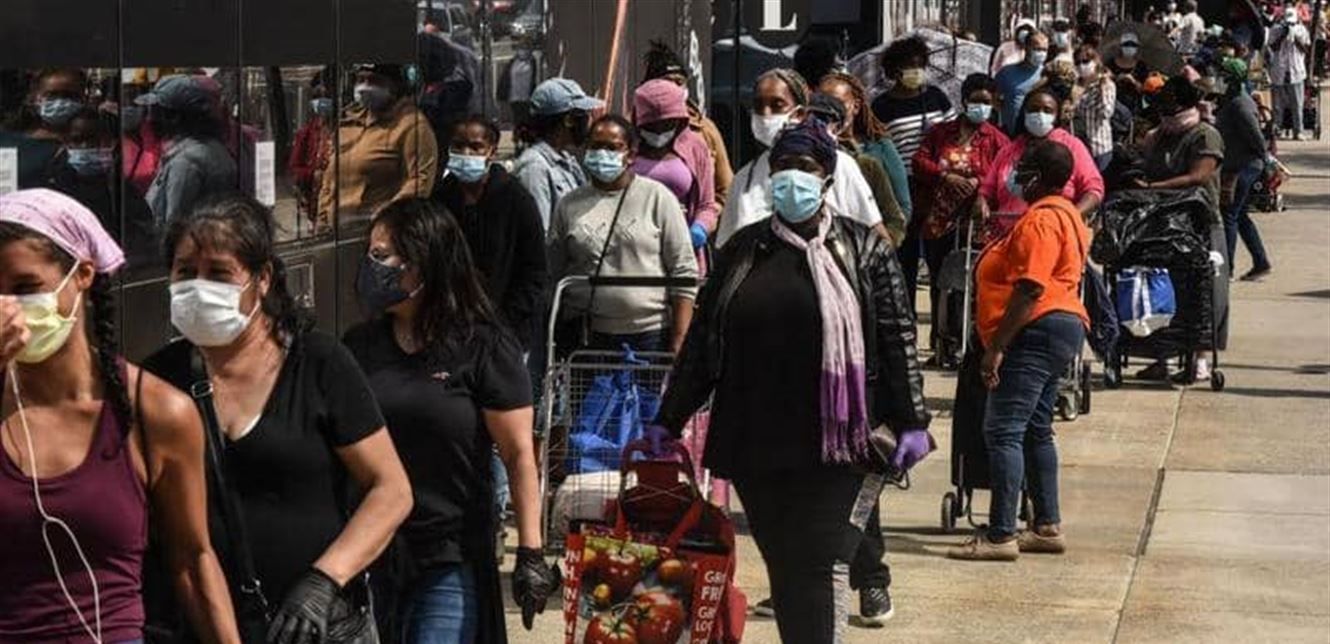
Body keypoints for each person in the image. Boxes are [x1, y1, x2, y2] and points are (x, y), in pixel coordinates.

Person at [651, 120, 933, 643]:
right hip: (757, 438)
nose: (791, 178)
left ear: (826, 176)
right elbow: (704, 343)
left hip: (840, 440)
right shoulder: (743, 250)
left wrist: (912, 419)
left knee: (821, 562)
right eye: (782, 167)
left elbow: (897, 337)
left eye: (803, 167)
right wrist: (669, 420)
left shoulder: (864, 250)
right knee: (784, 562)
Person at [144, 193, 414, 643]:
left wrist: (325, 580)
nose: (199, 288)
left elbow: (391, 490)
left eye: (219, 274)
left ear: (263, 278)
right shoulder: (156, 381)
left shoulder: (320, 363)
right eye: (186, 273)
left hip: (315, 629)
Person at [0, 189, 241, 643]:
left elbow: (192, 559)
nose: (8, 308)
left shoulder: (155, 412)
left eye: (26, 288)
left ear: (82, 275)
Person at [343, 199, 560, 643]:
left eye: (382, 256)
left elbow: (519, 454)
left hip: (449, 554)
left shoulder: (483, 347)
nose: (371, 267)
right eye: (370, 254)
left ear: (424, 262)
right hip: (372, 553)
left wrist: (530, 551)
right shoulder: (359, 346)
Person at [947, 140, 1089, 561]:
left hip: (1035, 330)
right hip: (1059, 328)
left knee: (1003, 430)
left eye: (1023, 170)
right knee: (1035, 427)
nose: (1015, 177)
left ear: (1038, 177)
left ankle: (1000, 535)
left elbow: (1030, 288)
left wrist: (996, 347)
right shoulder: (1066, 214)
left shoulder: (1042, 221)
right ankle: (1046, 525)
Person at [546, 115, 699, 354]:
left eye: (612, 148)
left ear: (630, 154)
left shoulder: (658, 198)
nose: (602, 153)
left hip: (650, 337)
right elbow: (554, 271)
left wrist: (680, 340)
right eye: (596, 146)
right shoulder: (569, 205)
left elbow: (684, 271)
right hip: (587, 338)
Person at [716, 69, 885, 247]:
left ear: (799, 113)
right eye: (759, 106)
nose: (766, 114)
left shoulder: (840, 165)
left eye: (777, 105)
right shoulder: (744, 179)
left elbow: (876, 238)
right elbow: (727, 248)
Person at [1133, 75, 1227, 381]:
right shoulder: (1161, 135)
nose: (1165, 112)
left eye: (1171, 105)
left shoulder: (1204, 135)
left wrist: (1154, 187)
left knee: (1203, 291)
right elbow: (1146, 162)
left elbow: (1199, 176)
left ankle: (1200, 358)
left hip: (1199, 223)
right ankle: (1162, 356)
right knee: (1162, 291)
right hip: (1163, 224)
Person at [914, 74, 1012, 359]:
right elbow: (920, 161)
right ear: (964, 101)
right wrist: (945, 176)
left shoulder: (997, 139)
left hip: (978, 222)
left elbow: (1004, 175)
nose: (981, 107)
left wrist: (979, 185)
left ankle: (971, 342)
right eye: (975, 100)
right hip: (940, 220)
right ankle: (941, 343)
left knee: (974, 280)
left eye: (986, 102)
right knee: (941, 280)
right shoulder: (940, 133)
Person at [433, 116, 547, 350]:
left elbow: (534, 270)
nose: (466, 153)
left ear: (491, 152)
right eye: (458, 146)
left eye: (475, 147)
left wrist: (506, 323)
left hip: (505, 331)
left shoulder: (516, 199)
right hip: (450, 328)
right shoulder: (440, 197)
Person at [318, 63, 438, 231]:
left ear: (394, 85)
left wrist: (385, 218)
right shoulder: (349, 121)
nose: (365, 87)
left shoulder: (412, 125)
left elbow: (419, 182)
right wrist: (322, 221)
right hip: (335, 230)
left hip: (378, 231)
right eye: (361, 80)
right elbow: (329, 179)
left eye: (374, 81)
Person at [632, 79, 719, 271]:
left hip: (682, 255)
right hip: (633, 255)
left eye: (667, 124)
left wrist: (699, 230)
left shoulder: (695, 147)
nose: (659, 132)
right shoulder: (627, 147)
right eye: (651, 126)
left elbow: (707, 205)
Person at [980, 86, 1105, 220]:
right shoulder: (1008, 151)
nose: (1040, 115)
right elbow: (987, 189)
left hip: (1054, 227)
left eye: (1047, 111)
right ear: (1024, 113)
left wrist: (1071, 217)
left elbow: (1093, 190)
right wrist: (982, 202)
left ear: (1056, 116)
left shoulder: (1072, 146)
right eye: (1033, 109)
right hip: (1008, 227)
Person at [819, 71, 914, 239]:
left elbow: (902, 206)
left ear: (855, 106)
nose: (831, 112)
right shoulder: (812, 148)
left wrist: (885, 242)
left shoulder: (879, 148)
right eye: (823, 104)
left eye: (838, 104)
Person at [137, 75, 239, 232]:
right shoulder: (212, 148)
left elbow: (174, 226)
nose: (149, 119)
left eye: (156, 112)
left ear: (175, 117)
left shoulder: (185, 163)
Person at [642, 39, 734, 207]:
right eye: (667, 82)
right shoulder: (630, 130)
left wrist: (706, 216)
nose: (674, 88)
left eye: (679, 82)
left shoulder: (704, 130)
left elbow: (726, 188)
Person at [512, 78, 604, 230]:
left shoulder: (566, 160)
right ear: (569, 120)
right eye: (585, 115)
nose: (589, 122)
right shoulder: (535, 168)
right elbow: (541, 231)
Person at [1214, 57, 1273, 280]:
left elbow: (1256, 137)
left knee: (1229, 214)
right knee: (1240, 215)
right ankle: (1261, 262)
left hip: (1245, 166)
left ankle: (1227, 268)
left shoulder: (1240, 104)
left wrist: (1266, 161)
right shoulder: (1230, 101)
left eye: (1222, 76)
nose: (1218, 79)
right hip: (1236, 163)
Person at [871, 36, 956, 167]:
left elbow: (955, 132)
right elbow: (877, 147)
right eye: (911, 66)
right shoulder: (881, 106)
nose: (917, 71)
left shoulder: (935, 96)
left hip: (938, 173)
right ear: (896, 70)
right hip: (904, 175)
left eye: (920, 65)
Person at [0, 69, 85, 190]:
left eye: (70, 96)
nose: (60, 101)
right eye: (52, 95)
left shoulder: (91, 146)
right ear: (34, 98)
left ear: (83, 99)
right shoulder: (7, 141)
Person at [289, 71, 334, 226]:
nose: (322, 101)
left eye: (326, 96)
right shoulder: (306, 133)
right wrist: (313, 174)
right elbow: (294, 168)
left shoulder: (345, 130)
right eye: (317, 97)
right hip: (314, 201)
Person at [1266, 5, 1312, 140]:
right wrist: (1283, 35)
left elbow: (1306, 49)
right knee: (1277, 105)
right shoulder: (1276, 29)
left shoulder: (1301, 30)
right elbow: (1272, 47)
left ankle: (1298, 131)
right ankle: (1277, 129)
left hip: (1296, 71)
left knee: (1297, 104)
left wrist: (1295, 38)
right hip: (1279, 70)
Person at [1072, 45, 1118, 171]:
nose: (1081, 66)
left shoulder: (1106, 84)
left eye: (1085, 61)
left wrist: (1102, 89)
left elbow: (1107, 112)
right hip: (1079, 146)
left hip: (1099, 147)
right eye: (1078, 62)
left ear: (1095, 61)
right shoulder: (1074, 85)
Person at [996, 32, 1051, 136]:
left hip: (1037, 134)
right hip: (1011, 134)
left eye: (1044, 50)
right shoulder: (1006, 73)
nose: (1041, 53)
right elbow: (995, 99)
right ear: (1026, 47)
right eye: (1037, 49)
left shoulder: (1047, 75)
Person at [1107, 32, 1151, 112]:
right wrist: (1117, 79)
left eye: (1133, 45)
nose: (1129, 47)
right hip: (1113, 104)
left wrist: (1133, 81)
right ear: (1120, 46)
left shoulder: (1141, 66)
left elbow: (1144, 89)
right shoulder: (1110, 64)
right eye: (1126, 44)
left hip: (1133, 106)